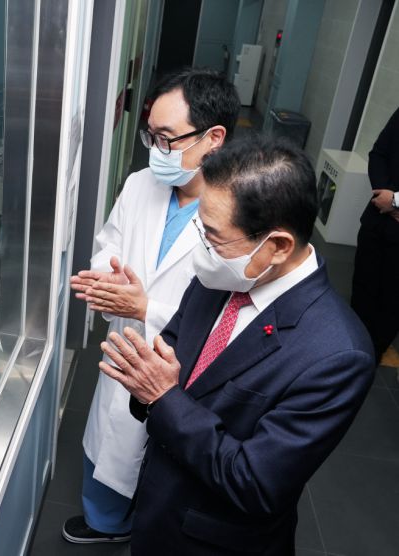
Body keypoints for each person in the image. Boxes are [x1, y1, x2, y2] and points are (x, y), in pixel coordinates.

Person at [100, 136, 375, 555]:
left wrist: (162, 397)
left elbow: (256, 482)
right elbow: (168, 354)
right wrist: (147, 387)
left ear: (277, 246)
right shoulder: (224, 274)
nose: (203, 248)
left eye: (213, 236)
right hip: (157, 509)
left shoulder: (337, 354)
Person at [63, 68, 240, 543]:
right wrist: (108, 280)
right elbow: (109, 243)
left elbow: (233, 307)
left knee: (166, 466)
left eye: (167, 139)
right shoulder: (141, 184)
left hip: (185, 366)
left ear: (214, 138)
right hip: (124, 346)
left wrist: (148, 308)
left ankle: (144, 529)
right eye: (151, 136)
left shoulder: (239, 211)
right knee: (111, 439)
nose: (156, 151)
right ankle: (106, 523)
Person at [351, 106, 399, 362]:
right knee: (362, 286)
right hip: (377, 219)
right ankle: (350, 345)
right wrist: (386, 198)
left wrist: (396, 201)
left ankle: (371, 355)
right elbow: (378, 153)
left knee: (391, 301)